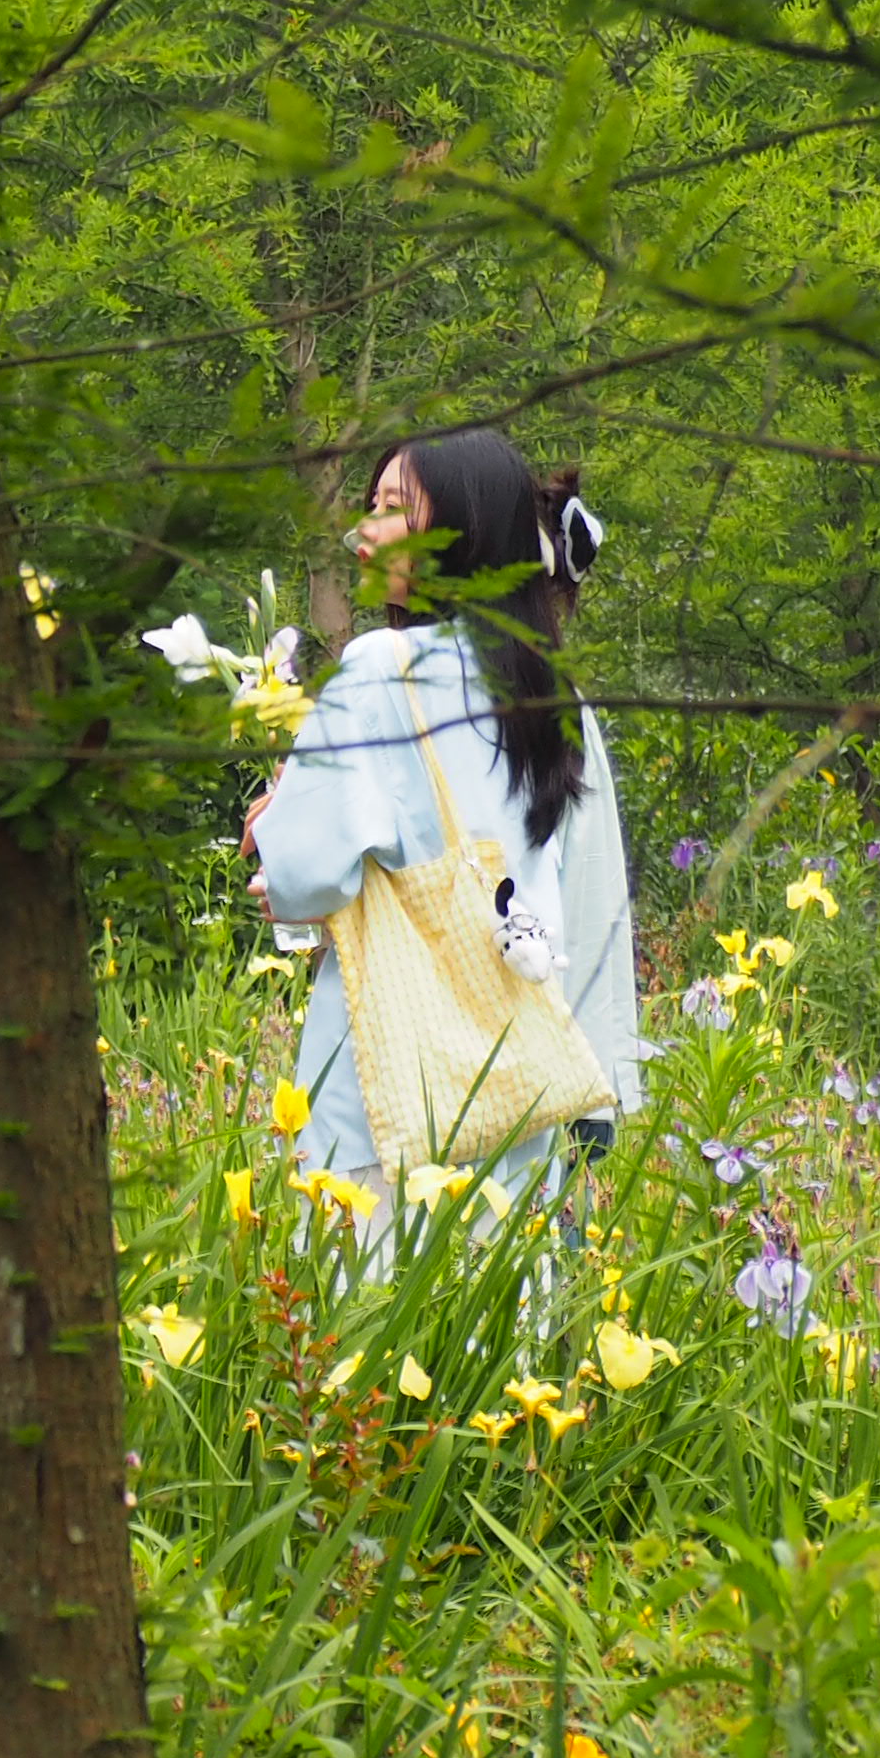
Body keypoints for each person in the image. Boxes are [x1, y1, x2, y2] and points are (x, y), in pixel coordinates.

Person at [249, 431, 641, 1206]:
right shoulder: (557, 701)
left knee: (369, 1314)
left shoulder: (378, 671)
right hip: (520, 1095)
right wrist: (601, 1095)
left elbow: (298, 880)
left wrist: (279, 813)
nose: (366, 530)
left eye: (394, 509)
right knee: (499, 1322)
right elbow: (596, 906)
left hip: (388, 1102)